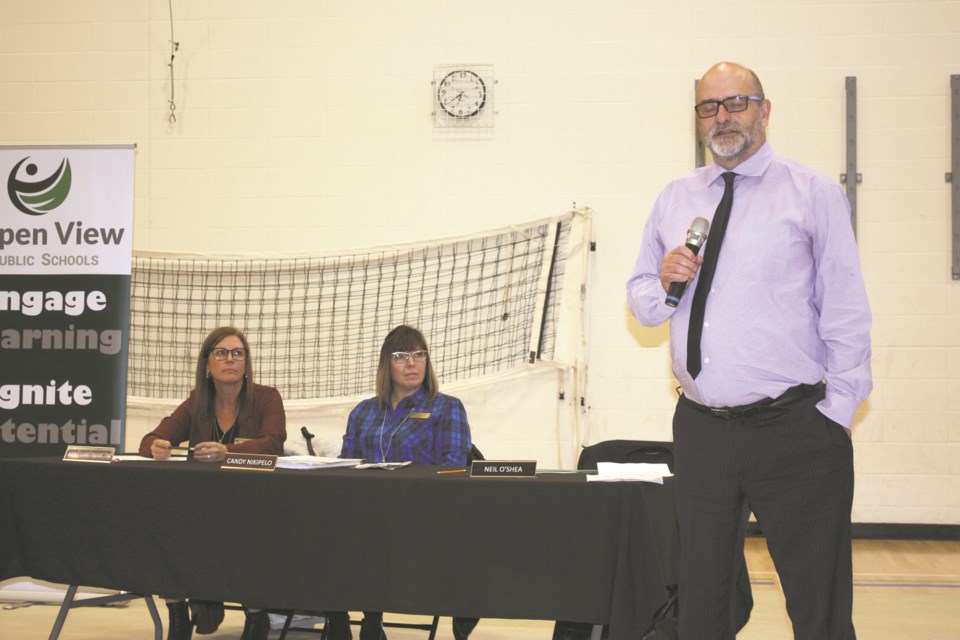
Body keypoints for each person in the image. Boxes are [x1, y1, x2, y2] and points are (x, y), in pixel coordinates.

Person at [626, 62, 872, 639]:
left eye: (735, 103)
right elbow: (640, 301)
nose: (723, 117)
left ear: (764, 108)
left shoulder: (812, 193)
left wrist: (835, 414)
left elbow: (846, 310)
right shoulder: (674, 197)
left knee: (819, 607)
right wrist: (662, 284)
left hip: (795, 430)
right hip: (702, 432)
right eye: (709, 107)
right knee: (703, 608)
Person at [326, 324, 478, 640]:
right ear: (386, 364)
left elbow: (453, 470)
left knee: (367, 535)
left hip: (421, 514)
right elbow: (345, 468)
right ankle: (337, 619)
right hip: (367, 515)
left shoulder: (446, 407)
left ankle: (370, 620)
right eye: (401, 356)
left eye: (419, 354)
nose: (412, 363)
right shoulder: (364, 412)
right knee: (323, 525)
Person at [139, 326, 287, 640]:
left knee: (245, 534)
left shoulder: (266, 397)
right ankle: (178, 616)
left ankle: (256, 616)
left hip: (254, 503)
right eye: (221, 353)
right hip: (202, 506)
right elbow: (152, 437)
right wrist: (155, 446)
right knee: (165, 526)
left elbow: (274, 443)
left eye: (238, 353)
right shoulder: (196, 402)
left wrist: (227, 451)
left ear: (246, 362)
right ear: (207, 364)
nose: (230, 359)